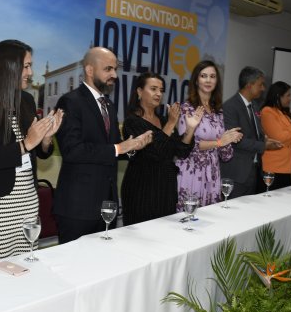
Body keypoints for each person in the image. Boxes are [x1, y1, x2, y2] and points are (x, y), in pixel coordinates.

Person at [0, 40, 63, 263]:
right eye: (26, 66)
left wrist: (46, 138)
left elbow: (42, 152)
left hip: (27, 201)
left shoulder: (26, 100)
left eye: (30, 66)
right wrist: (26, 144)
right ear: (8, 67)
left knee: (28, 266)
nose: (30, 72)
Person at [54, 47, 152, 244]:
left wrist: (133, 147)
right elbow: (72, 151)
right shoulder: (70, 101)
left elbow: (112, 148)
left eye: (115, 69)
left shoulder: (109, 105)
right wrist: (120, 148)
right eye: (108, 69)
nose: (114, 75)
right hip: (78, 209)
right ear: (90, 70)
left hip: (107, 206)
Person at [120, 72, 203, 225]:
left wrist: (191, 128)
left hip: (166, 187)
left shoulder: (164, 119)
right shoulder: (132, 122)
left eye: (161, 90)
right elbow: (155, 152)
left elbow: (182, 151)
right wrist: (171, 124)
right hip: (142, 188)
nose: (159, 93)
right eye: (153, 89)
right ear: (139, 92)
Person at [176, 61, 242, 210]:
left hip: (212, 173)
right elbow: (187, 146)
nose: (208, 80)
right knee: (187, 220)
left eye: (212, 76)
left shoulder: (218, 111)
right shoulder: (187, 108)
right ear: (196, 80)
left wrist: (229, 139)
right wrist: (219, 142)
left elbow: (226, 156)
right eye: (203, 76)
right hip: (191, 171)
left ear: (217, 81)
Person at [220, 66, 282, 198]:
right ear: (249, 85)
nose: (263, 88)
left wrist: (265, 140)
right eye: (261, 85)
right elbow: (235, 140)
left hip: (252, 171)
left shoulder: (254, 106)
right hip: (236, 174)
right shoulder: (230, 107)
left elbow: (255, 133)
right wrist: (264, 146)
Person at [260, 81, 291, 190]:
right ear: (278, 96)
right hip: (273, 168)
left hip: (286, 167)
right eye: (288, 95)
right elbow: (280, 138)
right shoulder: (267, 112)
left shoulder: (284, 114)